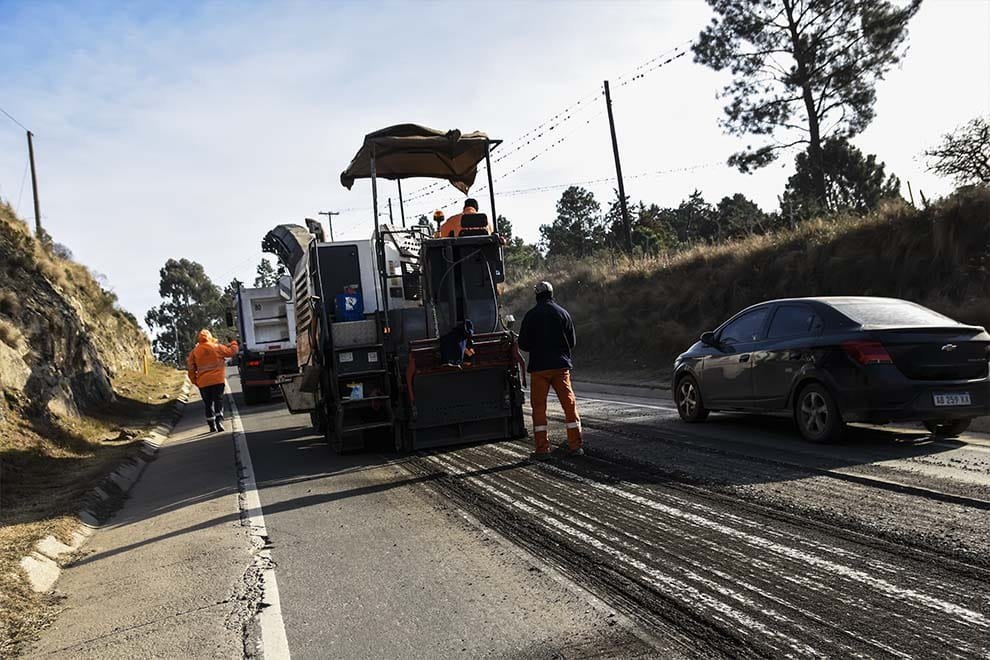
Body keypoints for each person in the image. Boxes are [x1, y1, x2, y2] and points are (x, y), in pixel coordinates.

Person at [517, 281, 583, 460]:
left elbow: (523, 344)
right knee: (569, 406)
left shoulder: (531, 316)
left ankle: (542, 449)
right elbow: (572, 342)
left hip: (539, 369)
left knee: (539, 408)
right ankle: (575, 446)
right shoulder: (563, 313)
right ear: (552, 294)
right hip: (561, 367)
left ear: (536, 295)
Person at [186, 329, 239, 432]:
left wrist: (195, 381)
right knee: (218, 400)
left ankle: (211, 425)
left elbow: (191, 369)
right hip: (218, 381)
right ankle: (219, 421)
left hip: (203, 383)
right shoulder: (217, 347)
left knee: (208, 404)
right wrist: (233, 342)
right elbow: (233, 352)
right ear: (210, 337)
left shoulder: (194, 352)